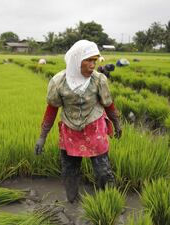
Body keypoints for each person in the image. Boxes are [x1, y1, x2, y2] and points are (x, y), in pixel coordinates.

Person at [34, 40, 122, 203]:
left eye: (94, 60)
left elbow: (108, 104)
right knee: (69, 171)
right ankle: (72, 202)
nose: (92, 65)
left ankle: (110, 202)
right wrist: (42, 137)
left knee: (103, 170)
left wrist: (117, 123)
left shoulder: (99, 80)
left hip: (94, 127)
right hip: (70, 130)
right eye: (88, 60)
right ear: (76, 61)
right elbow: (51, 109)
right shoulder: (58, 81)